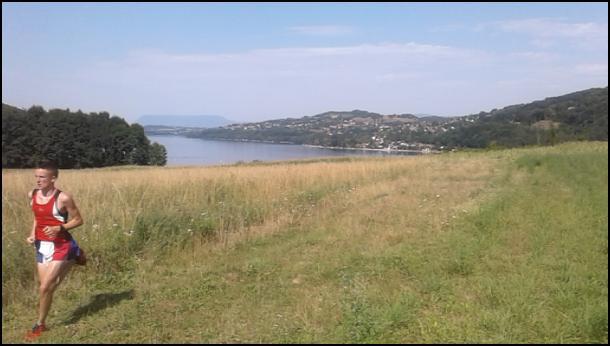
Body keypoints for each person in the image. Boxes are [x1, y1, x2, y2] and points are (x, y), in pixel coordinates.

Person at [24, 160, 85, 341]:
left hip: (61, 244)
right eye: (36, 176)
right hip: (42, 245)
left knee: (44, 288)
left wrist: (60, 228)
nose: (38, 180)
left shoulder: (63, 198)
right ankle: (76, 255)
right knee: (48, 288)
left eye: (42, 177)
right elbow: (37, 217)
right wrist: (32, 234)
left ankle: (40, 325)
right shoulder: (32, 194)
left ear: (53, 178)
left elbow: (79, 220)